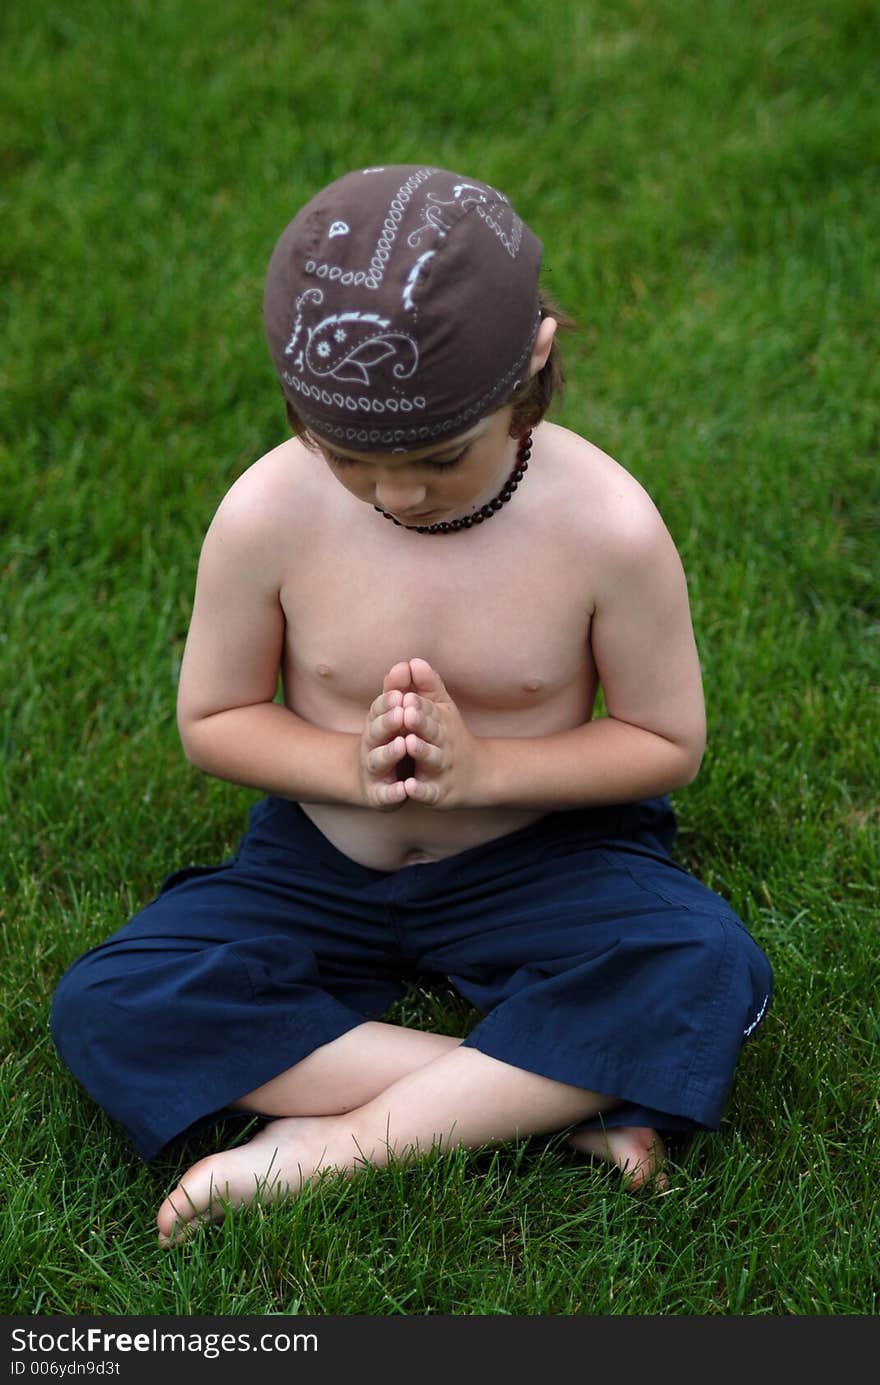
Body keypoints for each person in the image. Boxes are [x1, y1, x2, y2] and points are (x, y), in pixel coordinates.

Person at [51, 163, 773, 1245]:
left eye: (440, 457)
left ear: (531, 366)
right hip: (320, 864)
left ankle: (329, 1145)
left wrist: (486, 773)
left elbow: (665, 740)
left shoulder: (606, 527)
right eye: (346, 457)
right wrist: (343, 768)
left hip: (540, 854)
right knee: (109, 1001)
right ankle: (537, 1099)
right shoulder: (267, 512)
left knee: (702, 964)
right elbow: (214, 718)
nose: (394, 494)